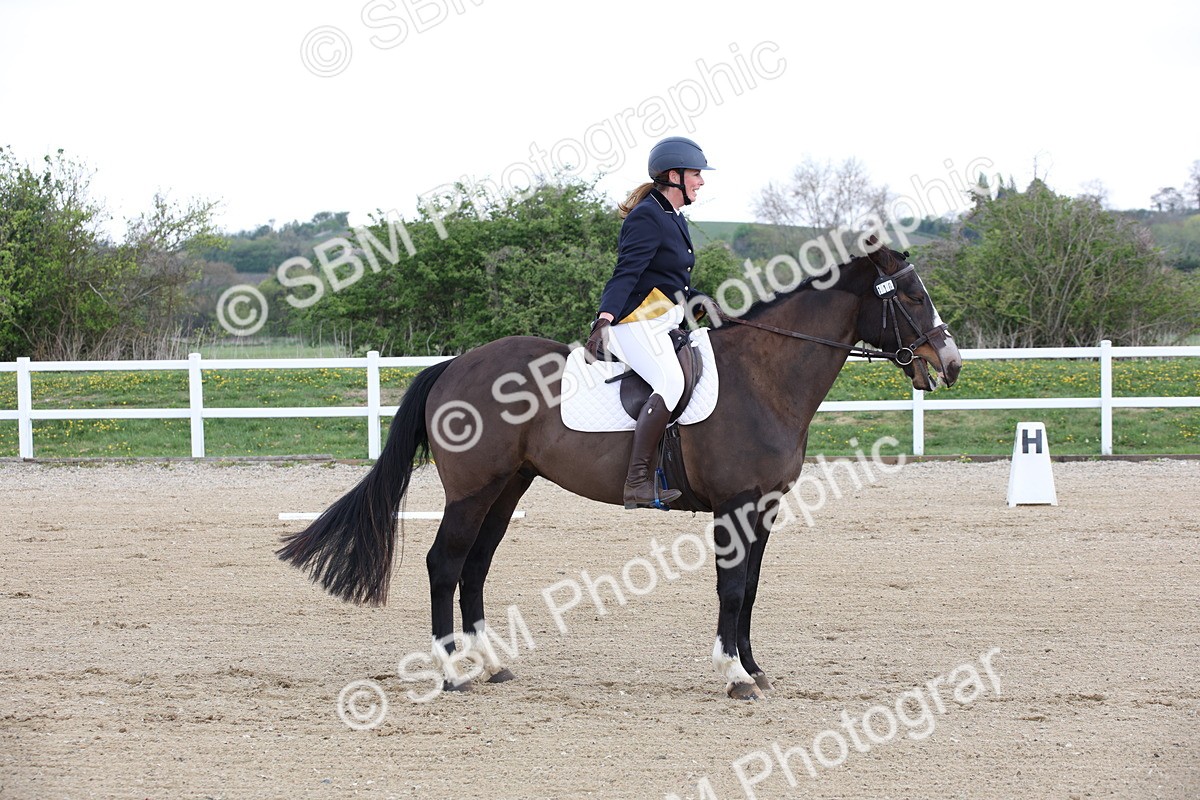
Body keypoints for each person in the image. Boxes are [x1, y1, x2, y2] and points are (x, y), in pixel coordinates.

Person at [584, 135, 713, 509]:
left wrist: (696, 299)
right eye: (696, 174)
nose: (701, 181)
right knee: (670, 381)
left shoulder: (674, 217)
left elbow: (668, 281)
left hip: (662, 321)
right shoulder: (648, 215)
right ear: (674, 176)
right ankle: (637, 482)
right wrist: (605, 318)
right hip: (633, 323)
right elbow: (626, 274)